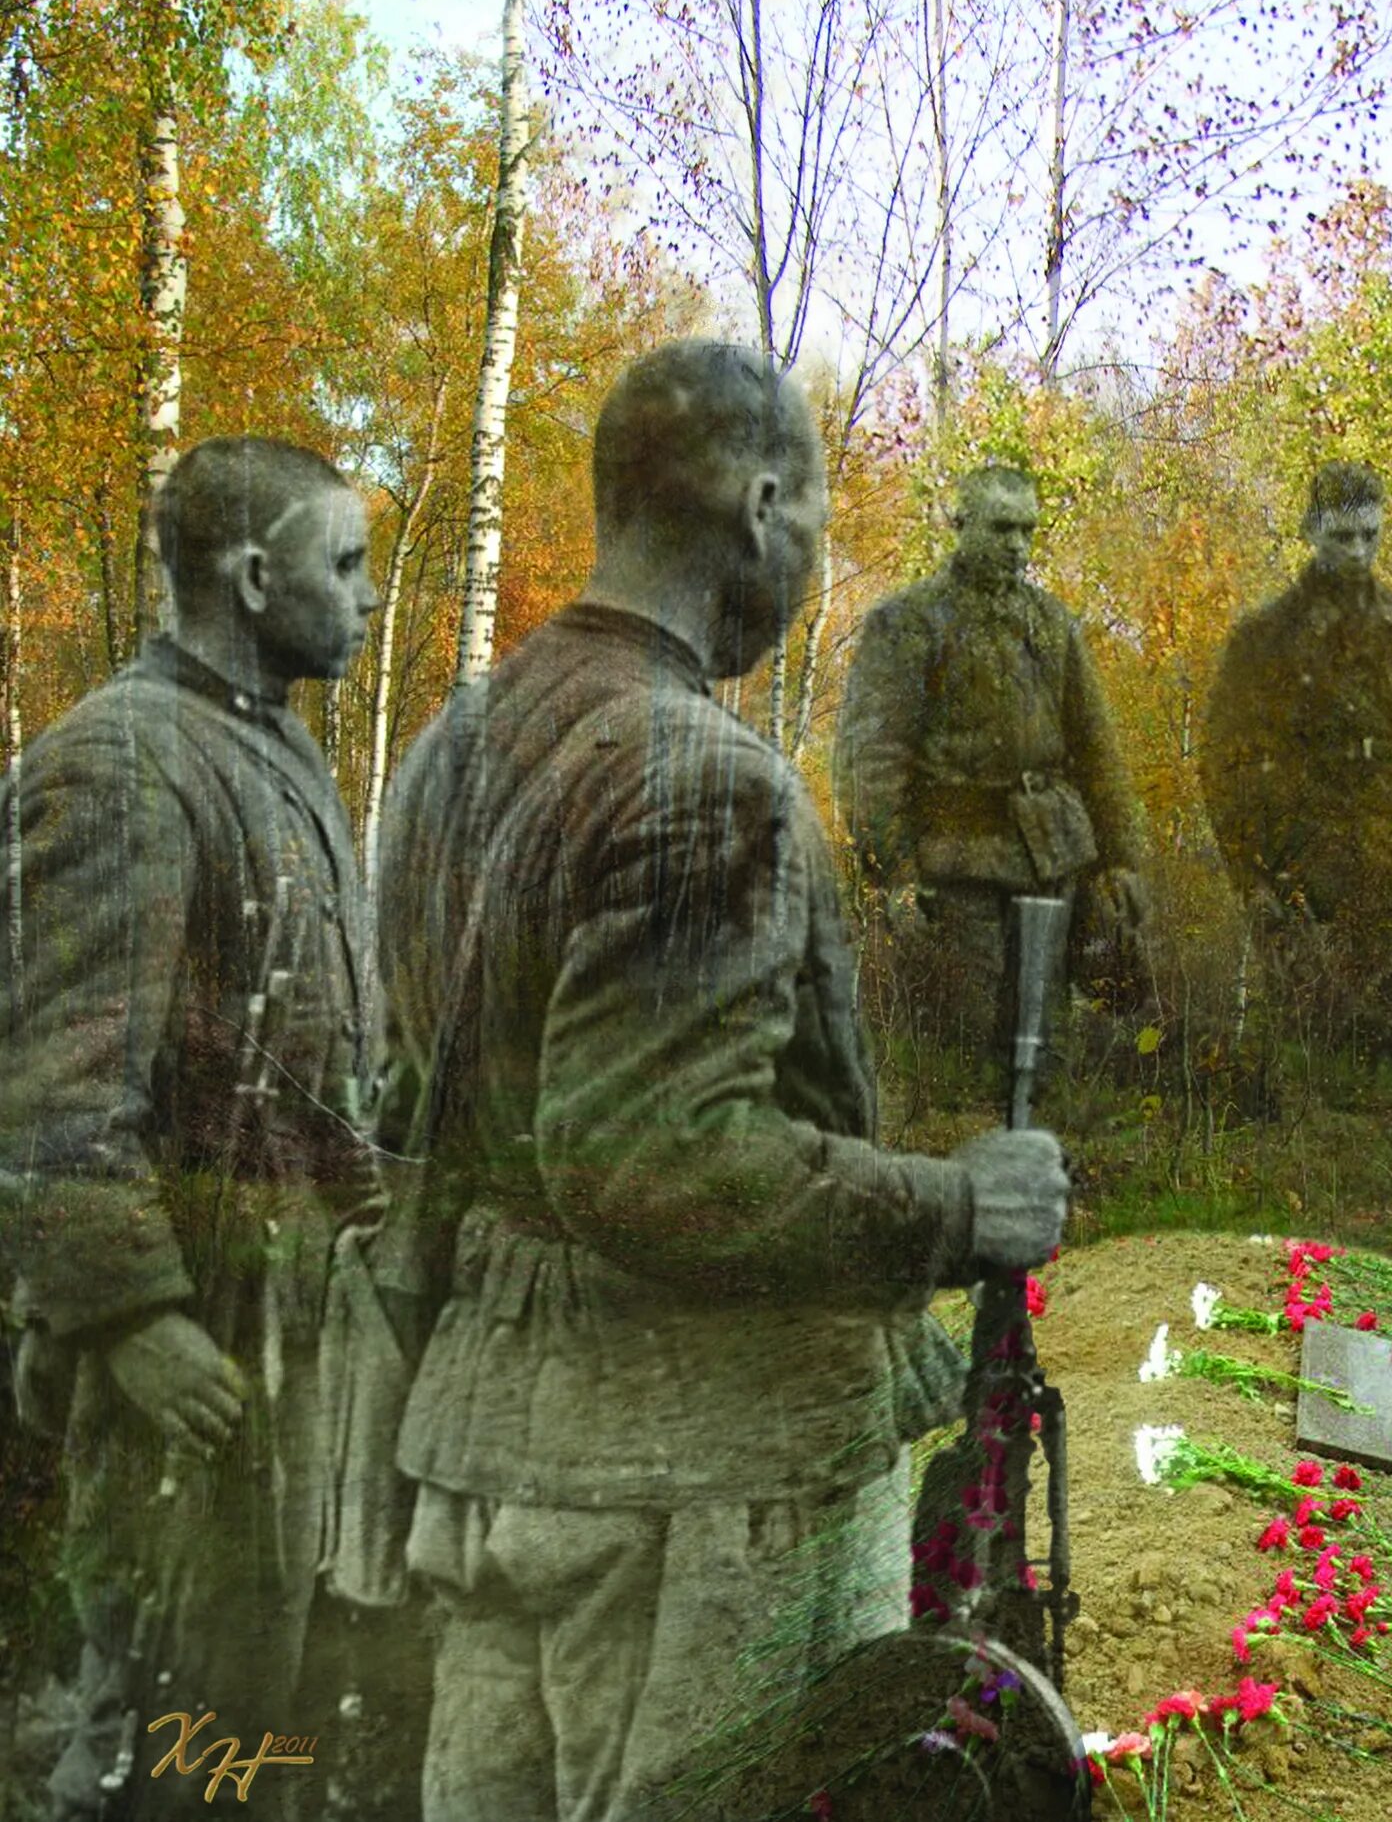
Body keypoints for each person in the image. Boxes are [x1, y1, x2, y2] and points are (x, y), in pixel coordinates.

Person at [373, 342, 1071, 1822]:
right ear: (762, 504)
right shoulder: (702, 771)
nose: (815, 557)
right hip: (700, 1489)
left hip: (506, 1460)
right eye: (815, 516)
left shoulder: (455, 746)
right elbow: (659, 1156)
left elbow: (432, 1107)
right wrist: (961, 1206)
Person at [0, 438, 382, 1813]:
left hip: (281, 1328)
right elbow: (52, 1083)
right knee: (151, 1726)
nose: (368, 597)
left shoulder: (268, 747)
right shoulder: (121, 764)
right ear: (251, 572)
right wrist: (128, 1317)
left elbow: (320, 1061)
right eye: (345, 565)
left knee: (253, 1716)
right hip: (184, 1353)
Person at [834, 464, 1147, 1113]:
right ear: (961, 525)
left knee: (1044, 1046)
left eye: (1028, 530)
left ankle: (1049, 1180)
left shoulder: (1052, 623)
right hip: (957, 867)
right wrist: (891, 870)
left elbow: (1098, 751)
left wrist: (1122, 861)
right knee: (970, 1045)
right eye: (1002, 527)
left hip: (1051, 861)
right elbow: (873, 756)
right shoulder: (910, 622)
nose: (1017, 545)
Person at [1201, 462, 1392, 1059]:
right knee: (1313, 1046)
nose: (1358, 550)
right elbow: (1225, 763)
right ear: (1311, 530)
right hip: (1308, 861)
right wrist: (1251, 873)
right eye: (1343, 536)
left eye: (1370, 536)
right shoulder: (1267, 636)